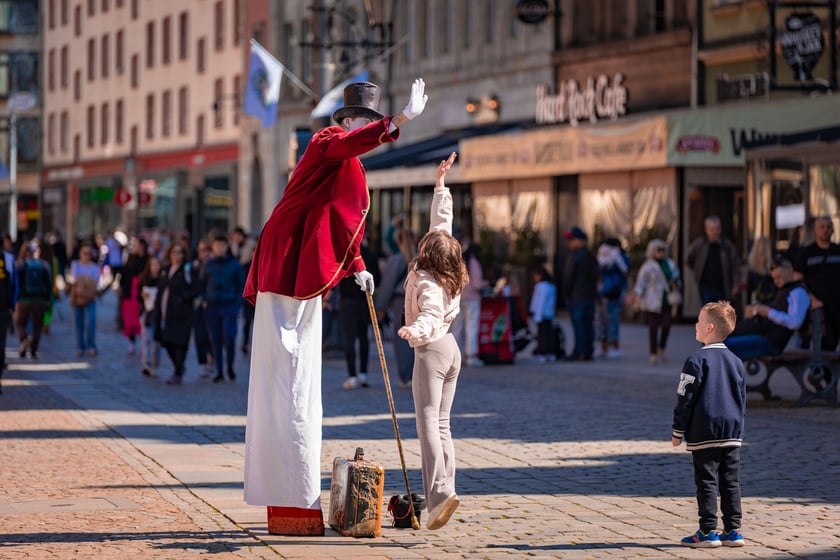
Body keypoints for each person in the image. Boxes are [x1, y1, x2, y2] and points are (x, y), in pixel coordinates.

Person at [242, 78, 428, 535]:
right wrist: (397, 120)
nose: (366, 130)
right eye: (362, 122)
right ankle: (290, 498)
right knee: (290, 380)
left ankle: (296, 499)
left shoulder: (351, 167)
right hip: (289, 266)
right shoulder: (327, 141)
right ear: (346, 121)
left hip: (304, 270)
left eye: (371, 122)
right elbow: (349, 144)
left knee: (300, 382)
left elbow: (341, 223)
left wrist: (359, 265)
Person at [397, 152, 465, 530]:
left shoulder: (426, 280)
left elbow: (430, 315)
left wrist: (413, 332)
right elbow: (443, 226)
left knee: (427, 427)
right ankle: (446, 489)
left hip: (432, 350)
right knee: (442, 425)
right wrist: (440, 186)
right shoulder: (450, 264)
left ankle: (439, 496)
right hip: (451, 349)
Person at [672, 300, 746, 548]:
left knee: (706, 481)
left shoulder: (695, 360)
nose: (695, 325)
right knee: (730, 481)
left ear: (709, 328)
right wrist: (739, 428)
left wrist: (678, 430)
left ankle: (707, 531)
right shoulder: (736, 361)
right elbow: (741, 397)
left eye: (699, 322)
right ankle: (734, 530)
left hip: (705, 431)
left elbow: (685, 397)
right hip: (732, 432)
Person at [724, 257, 809, 361]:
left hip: (771, 341)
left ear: (789, 271)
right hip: (763, 334)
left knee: (721, 346)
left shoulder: (798, 292)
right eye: (774, 278)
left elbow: (795, 322)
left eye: (779, 277)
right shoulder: (785, 289)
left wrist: (767, 312)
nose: (776, 281)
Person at [375, 227, 417, 388]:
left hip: (401, 301)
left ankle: (406, 375)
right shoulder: (420, 260)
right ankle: (417, 373)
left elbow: (387, 286)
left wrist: (380, 306)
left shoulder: (397, 260)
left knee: (402, 338)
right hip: (419, 301)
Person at [203, 231, 245, 383]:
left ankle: (230, 367)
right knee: (215, 339)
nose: (220, 248)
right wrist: (203, 299)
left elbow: (242, 285)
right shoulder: (208, 265)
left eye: (222, 245)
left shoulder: (234, 265)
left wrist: (237, 302)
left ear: (227, 246)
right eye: (217, 246)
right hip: (212, 306)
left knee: (229, 337)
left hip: (229, 305)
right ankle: (219, 370)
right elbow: (202, 283)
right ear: (213, 247)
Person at [337, 240, 380, 389]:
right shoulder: (370, 254)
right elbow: (378, 279)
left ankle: (353, 375)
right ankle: (363, 373)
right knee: (363, 337)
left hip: (348, 300)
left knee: (350, 338)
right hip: (363, 301)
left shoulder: (346, 255)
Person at [793, 216, 840, 350]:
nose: (825, 230)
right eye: (822, 227)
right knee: (819, 346)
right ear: (815, 230)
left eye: (828, 227)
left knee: (832, 345)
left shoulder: (838, 251)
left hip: (837, 307)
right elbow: (797, 279)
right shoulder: (807, 253)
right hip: (816, 309)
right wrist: (811, 299)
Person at [632, 239, 681, 365]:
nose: (661, 252)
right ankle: (653, 353)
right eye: (658, 250)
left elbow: (677, 278)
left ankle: (662, 347)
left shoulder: (670, 263)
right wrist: (637, 300)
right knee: (653, 328)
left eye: (663, 250)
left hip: (667, 299)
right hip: (651, 301)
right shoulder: (647, 266)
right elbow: (640, 284)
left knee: (666, 325)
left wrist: (674, 282)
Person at [155, 243, 199, 385]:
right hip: (166, 311)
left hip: (183, 313)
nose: (176, 255)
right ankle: (178, 367)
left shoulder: (188, 269)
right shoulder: (166, 269)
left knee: (181, 343)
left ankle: (178, 371)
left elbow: (196, 288)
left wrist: (183, 298)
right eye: (174, 252)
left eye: (179, 252)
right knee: (167, 341)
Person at [562, 226, 598, 361]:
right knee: (588, 324)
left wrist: (567, 293)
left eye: (572, 240)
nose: (570, 243)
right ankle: (588, 351)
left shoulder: (575, 256)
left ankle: (580, 352)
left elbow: (568, 277)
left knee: (579, 325)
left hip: (577, 296)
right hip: (590, 296)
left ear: (579, 241)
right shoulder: (591, 256)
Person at [686, 216, 741, 305]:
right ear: (706, 230)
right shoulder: (700, 244)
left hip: (722, 286)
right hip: (705, 285)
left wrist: (736, 285)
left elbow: (736, 266)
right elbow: (689, 258)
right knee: (707, 311)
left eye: (717, 228)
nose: (715, 232)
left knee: (720, 312)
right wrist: (697, 270)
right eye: (712, 229)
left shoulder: (727, 246)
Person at [15, 241, 53, 359]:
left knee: (20, 323)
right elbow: (49, 284)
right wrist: (47, 300)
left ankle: (24, 338)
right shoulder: (44, 265)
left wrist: (16, 298)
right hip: (40, 300)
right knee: (37, 326)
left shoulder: (21, 265)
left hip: (24, 300)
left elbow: (16, 283)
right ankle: (33, 350)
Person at [594, 238, 630, 359]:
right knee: (600, 320)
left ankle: (615, 347)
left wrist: (615, 259)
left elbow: (625, 271)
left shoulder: (621, 258)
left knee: (612, 319)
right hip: (602, 292)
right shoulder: (602, 257)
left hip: (614, 293)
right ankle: (603, 346)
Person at [454, 236, 486, 367]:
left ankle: (454, 357)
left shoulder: (457, 261)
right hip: (472, 299)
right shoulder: (473, 263)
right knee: (471, 327)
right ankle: (470, 355)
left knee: (456, 328)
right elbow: (478, 284)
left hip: (458, 297)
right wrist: (486, 284)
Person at [67, 244, 101, 357]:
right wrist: (85, 282)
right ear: (80, 254)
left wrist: (83, 281)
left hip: (90, 298)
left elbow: (94, 283)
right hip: (78, 298)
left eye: (88, 253)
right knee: (78, 323)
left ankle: (91, 345)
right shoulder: (75, 265)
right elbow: (75, 279)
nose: (86, 256)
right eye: (84, 253)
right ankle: (80, 346)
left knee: (91, 322)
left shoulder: (95, 267)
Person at [119, 236, 149, 354]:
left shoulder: (147, 259)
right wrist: (121, 287)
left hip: (142, 291)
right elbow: (124, 274)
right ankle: (132, 342)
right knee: (130, 319)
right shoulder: (131, 258)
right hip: (130, 292)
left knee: (141, 318)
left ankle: (144, 341)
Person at [230, 226, 256, 354]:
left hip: (252, 287)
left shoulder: (251, 247)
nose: (236, 238)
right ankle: (245, 343)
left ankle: (255, 343)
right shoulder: (233, 248)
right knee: (246, 319)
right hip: (241, 287)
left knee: (254, 319)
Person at [192, 239, 214, 378]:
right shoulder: (194, 266)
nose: (203, 253)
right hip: (196, 306)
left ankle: (212, 359)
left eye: (205, 250)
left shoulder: (213, 266)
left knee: (211, 334)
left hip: (211, 304)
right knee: (199, 335)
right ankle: (203, 362)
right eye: (200, 250)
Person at [138, 256, 162, 377]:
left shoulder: (163, 280)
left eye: (157, 264)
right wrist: (142, 296)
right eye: (153, 265)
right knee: (146, 338)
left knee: (156, 340)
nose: (155, 267)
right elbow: (138, 296)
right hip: (146, 312)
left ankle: (154, 364)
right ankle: (145, 363)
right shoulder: (144, 279)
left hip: (158, 314)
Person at [0, 240, 18, 394]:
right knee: (1, 343)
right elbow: (14, 284)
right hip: (4, 308)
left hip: (4, 308)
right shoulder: (7, 259)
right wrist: (12, 305)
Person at [529, 267, 557, 363]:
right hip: (549, 313)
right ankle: (550, 352)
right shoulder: (551, 286)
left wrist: (537, 315)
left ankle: (542, 352)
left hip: (542, 313)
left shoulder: (541, 287)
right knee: (548, 334)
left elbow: (540, 302)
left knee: (542, 335)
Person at [745, 236, 775, 305]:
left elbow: (749, 294)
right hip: (766, 305)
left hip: (758, 305)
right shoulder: (773, 269)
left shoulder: (752, 269)